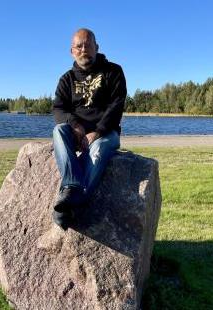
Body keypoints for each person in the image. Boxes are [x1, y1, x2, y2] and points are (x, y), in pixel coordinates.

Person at [52, 28, 127, 230]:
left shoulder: (113, 71)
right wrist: (75, 127)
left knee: (99, 149)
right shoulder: (66, 79)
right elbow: (59, 108)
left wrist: (98, 132)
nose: (83, 49)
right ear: (72, 51)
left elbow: (117, 105)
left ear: (96, 47)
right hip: (77, 133)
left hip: (106, 134)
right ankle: (71, 185)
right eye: (79, 46)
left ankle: (71, 204)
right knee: (59, 131)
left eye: (87, 44)